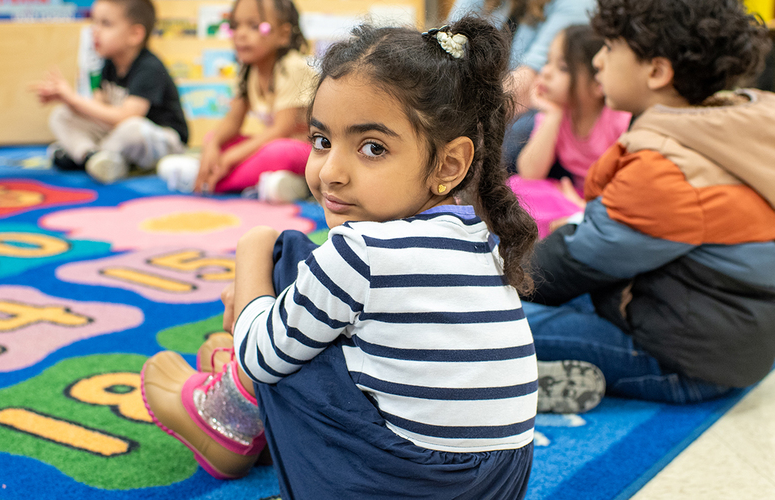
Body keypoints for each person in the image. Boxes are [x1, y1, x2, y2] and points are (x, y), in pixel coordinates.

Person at [142, 17, 543, 499]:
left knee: (284, 260)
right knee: (310, 307)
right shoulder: (479, 242)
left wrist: (253, 249)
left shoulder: (360, 253)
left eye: (372, 148)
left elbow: (261, 354)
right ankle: (246, 404)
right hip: (493, 488)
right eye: (321, 141)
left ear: (448, 164)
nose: (330, 171)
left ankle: (228, 412)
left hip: (399, 487)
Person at [522, 0, 775, 413]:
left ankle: (520, 373)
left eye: (610, 48)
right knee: (546, 299)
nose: (599, 61)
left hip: (686, 363)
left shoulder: (669, 165)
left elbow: (579, 258)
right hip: (707, 333)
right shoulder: (709, 130)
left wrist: (496, 276)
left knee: (494, 318)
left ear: (656, 71)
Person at [157, 0, 314, 203]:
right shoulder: (250, 70)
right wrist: (212, 146)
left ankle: (206, 179)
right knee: (216, 137)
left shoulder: (292, 66)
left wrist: (230, 158)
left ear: (283, 35)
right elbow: (232, 122)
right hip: (277, 145)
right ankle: (278, 185)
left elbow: (280, 131)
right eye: (235, 26)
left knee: (277, 151)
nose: (240, 34)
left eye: (254, 26)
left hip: (306, 151)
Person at [33, 0, 188, 184]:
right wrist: (69, 103)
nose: (94, 30)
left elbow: (126, 117)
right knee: (61, 115)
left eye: (105, 24)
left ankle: (87, 157)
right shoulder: (108, 63)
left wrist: (74, 99)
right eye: (94, 22)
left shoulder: (149, 67)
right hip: (118, 138)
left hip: (161, 140)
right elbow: (99, 109)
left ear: (135, 34)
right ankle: (93, 157)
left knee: (133, 128)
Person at [510, 24, 630, 238]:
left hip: (608, 205)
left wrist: (586, 206)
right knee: (515, 187)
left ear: (598, 82)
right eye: (548, 62)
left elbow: (628, 185)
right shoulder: (559, 113)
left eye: (562, 68)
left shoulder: (616, 119)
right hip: (570, 196)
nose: (545, 72)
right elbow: (530, 173)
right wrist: (553, 116)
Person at [447, 0, 595, 172]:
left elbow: (527, 82)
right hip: (483, 103)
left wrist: (462, 118)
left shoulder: (576, 5)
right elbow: (449, 46)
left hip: (523, 109)